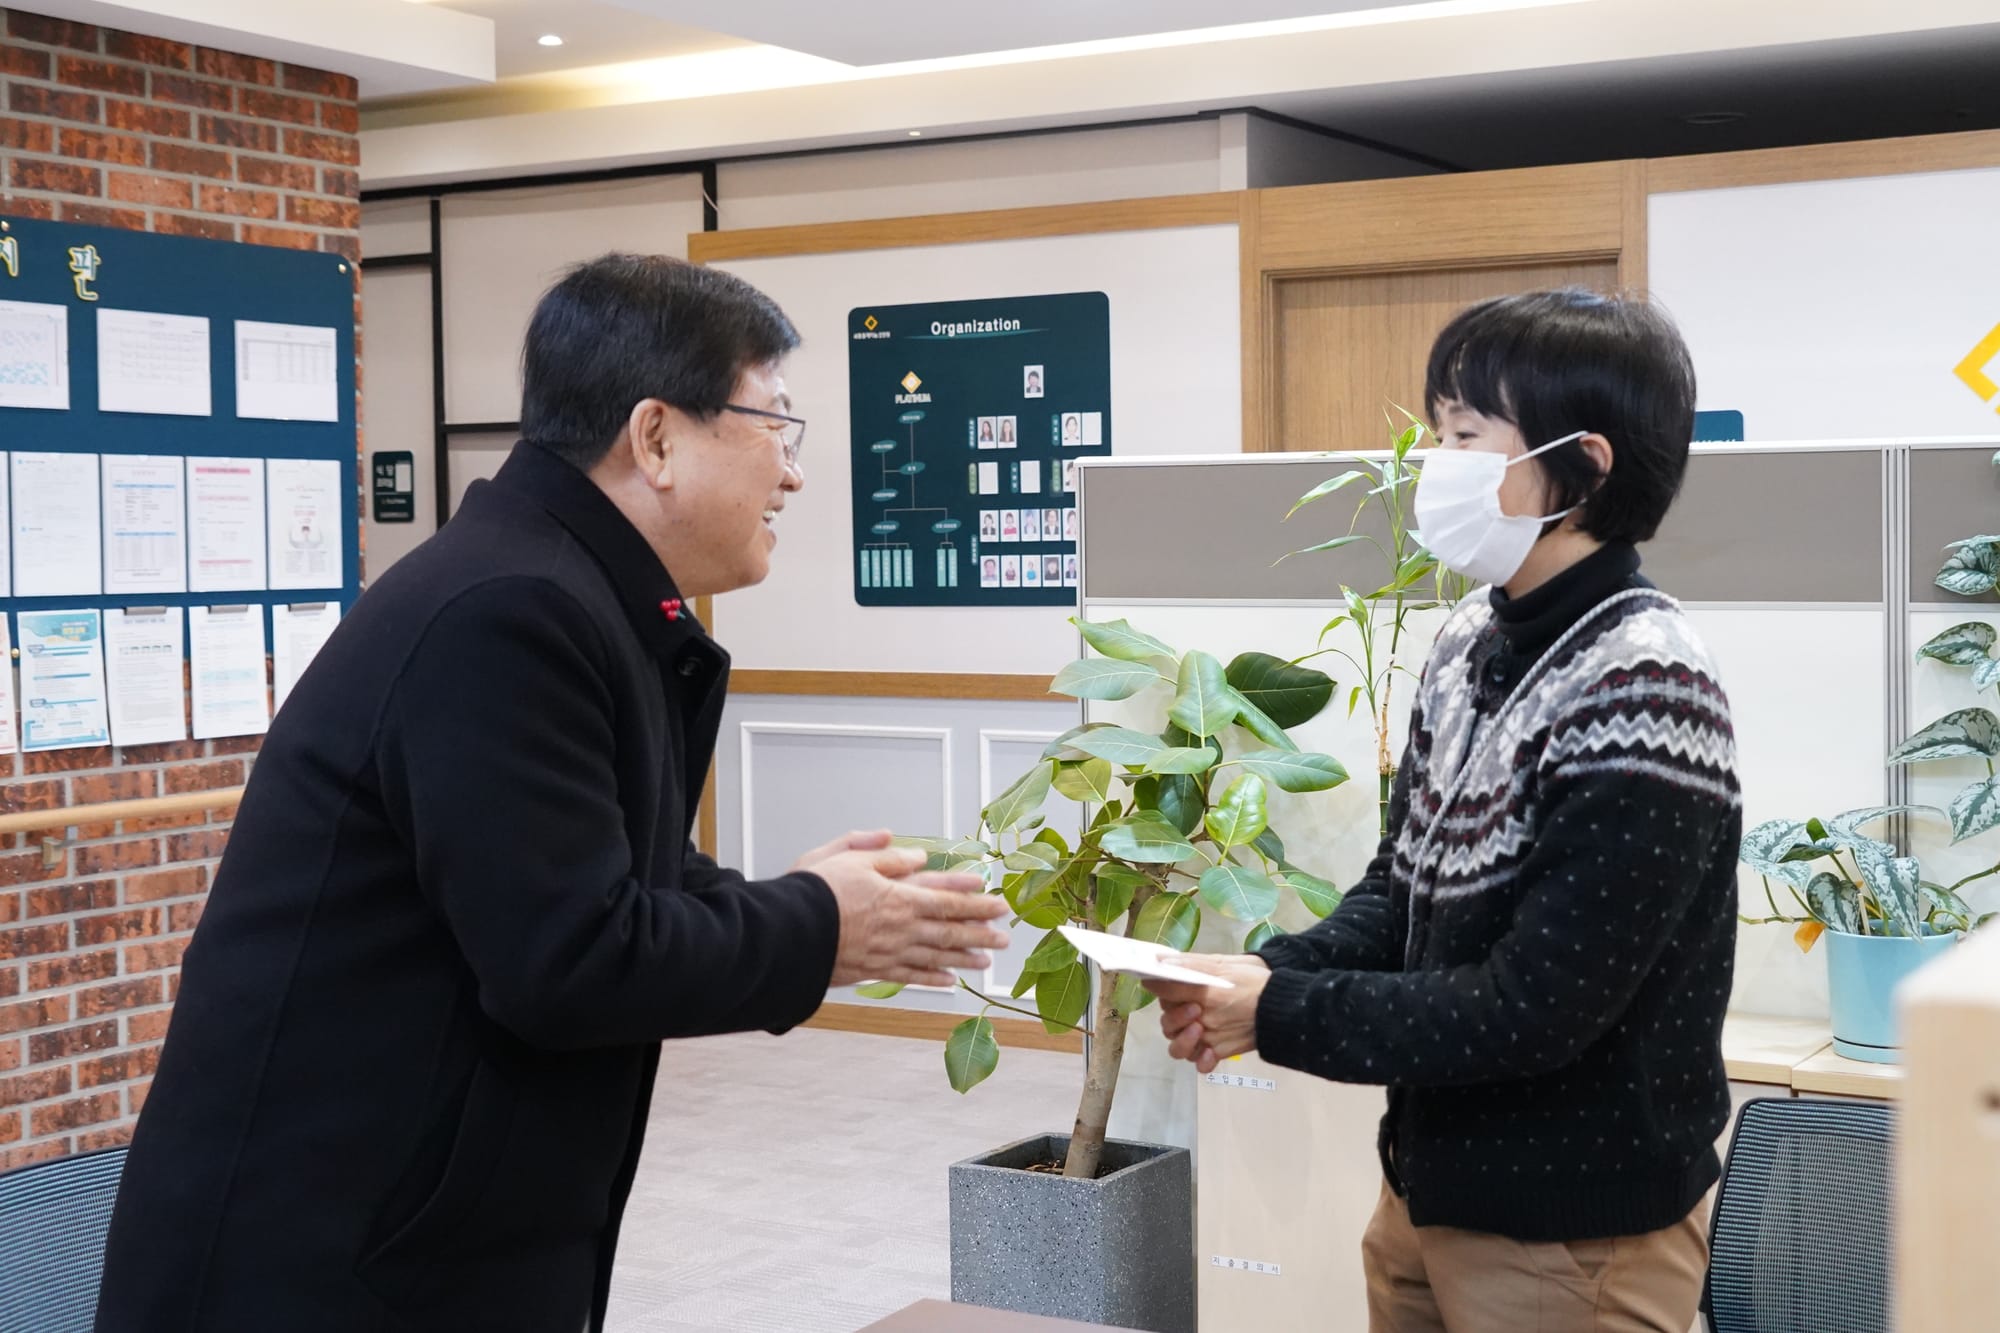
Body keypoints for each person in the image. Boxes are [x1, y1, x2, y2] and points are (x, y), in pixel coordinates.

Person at [95, 255, 1010, 1333]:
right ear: (657, 435)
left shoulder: (571, 595)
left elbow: (621, 880)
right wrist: (818, 926)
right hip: (321, 1261)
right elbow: (569, 959)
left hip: (416, 1238)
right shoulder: (508, 612)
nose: (793, 475)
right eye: (775, 425)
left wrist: (809, 908)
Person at [1148, 289, 1739, 1333]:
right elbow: (1401, 886)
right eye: (1436, 432)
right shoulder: (1473, 637)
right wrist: (1270, 973)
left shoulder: (1644, 686)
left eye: (1465, 435)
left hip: (1569, 1234)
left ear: (1584, 466)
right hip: (1429, 1192)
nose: (1434, 462)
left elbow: (1537, 1005)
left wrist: (1276, 1014)